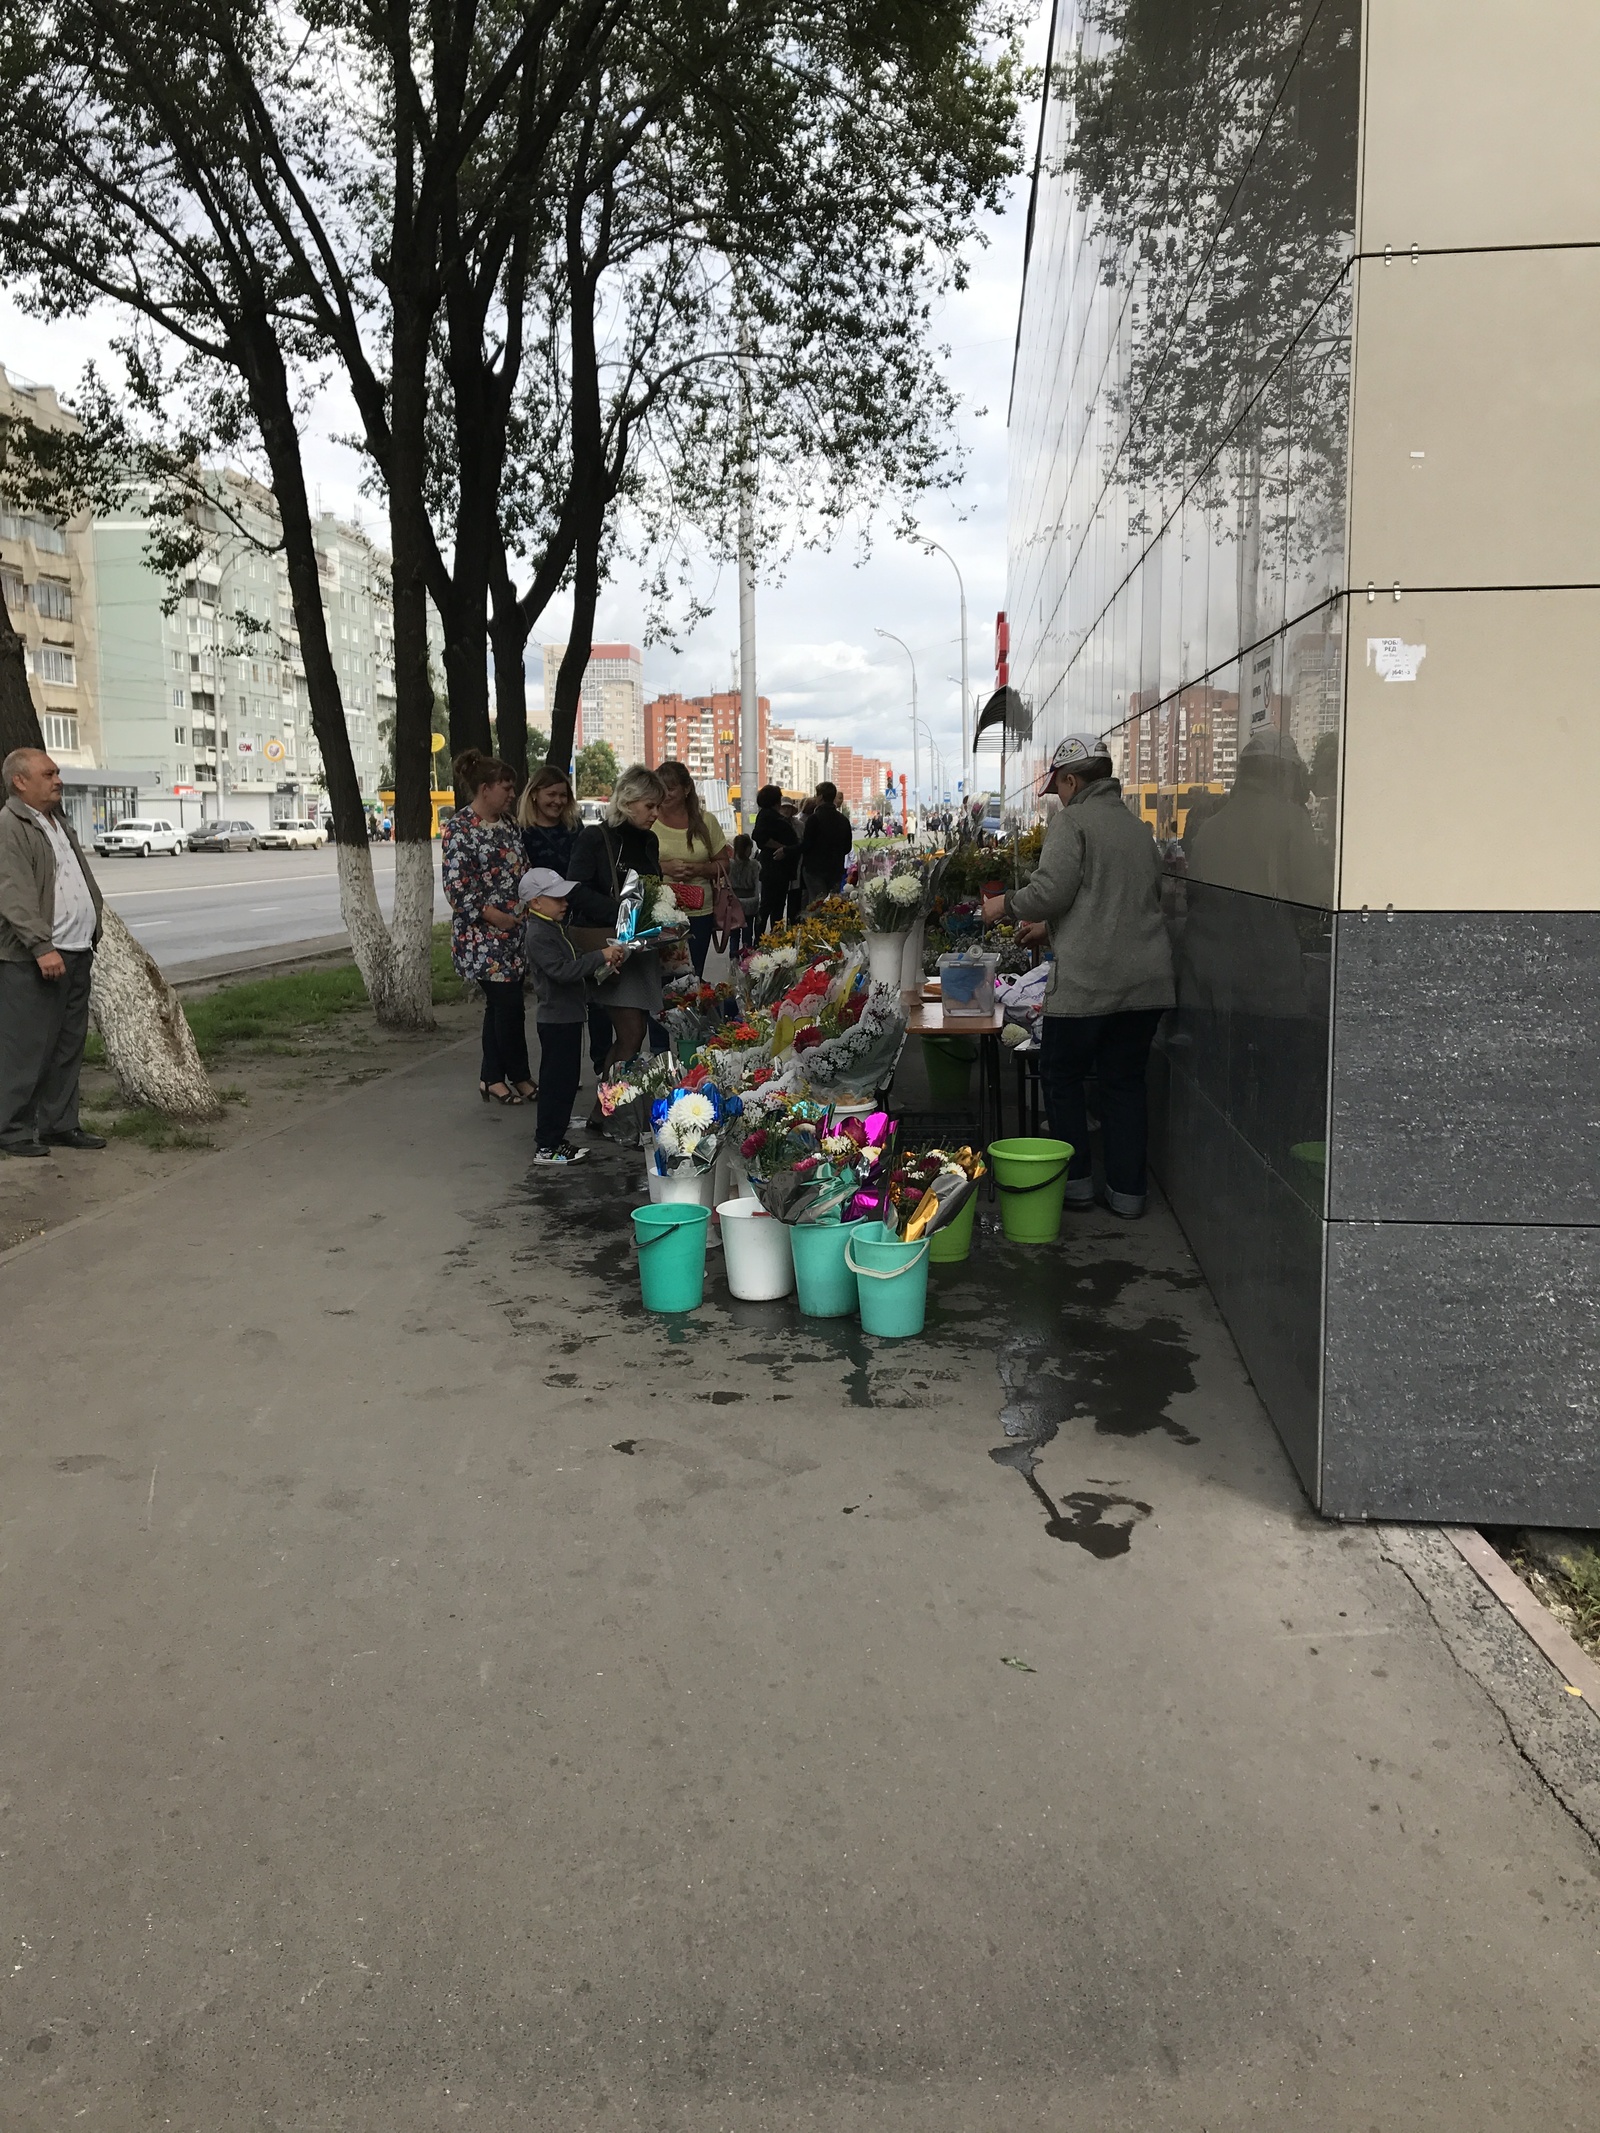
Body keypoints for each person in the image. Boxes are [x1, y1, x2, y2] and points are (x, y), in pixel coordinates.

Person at [981, 734, 1174, 1219]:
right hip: (1146, 984)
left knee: (1061, 1075)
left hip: (1090, 984)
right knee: (1124, 1083)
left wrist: (1003, 905)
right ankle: (1129, 1194)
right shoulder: (1136, 828)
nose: (1059, 798)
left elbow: (1050, 890)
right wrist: (1054, 928)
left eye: (1059, 787)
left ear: (1071, 779)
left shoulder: (1074, 822)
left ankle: (1077, 1185)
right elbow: (1118, 899)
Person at [0, 746, 107, 1157]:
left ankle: (60, 1125)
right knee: (27, 1047)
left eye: (57, 772)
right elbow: (14, 894)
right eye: (48, 774)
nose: (58, 779)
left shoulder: (56, 820)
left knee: (67, 1045)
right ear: (20, 782)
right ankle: (11, 1131)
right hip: (35, 957)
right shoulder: (11, 825)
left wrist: (91, 925)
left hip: (77, 949)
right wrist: (41, 946)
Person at [568, 763, 667, 1131]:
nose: (655, 814)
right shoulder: (597, 838)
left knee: (633, 1033)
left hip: (641, 948)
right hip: (610, 946)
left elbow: (650, 887)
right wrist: (623, 911)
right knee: (631, 1033)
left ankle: (606, 1110)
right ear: (628, 801)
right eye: (649, 806)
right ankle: (605, 1111)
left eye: (657, 806)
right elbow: (576, 890)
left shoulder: (648, 840)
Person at [441, 749, 535, 1105]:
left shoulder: (509, 824)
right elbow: (455, 888)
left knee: (500, 1008)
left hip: (514, 934)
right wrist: (490, 914)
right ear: (484, 788)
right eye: (506, 787)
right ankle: (519, 1075)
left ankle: (491, 1078)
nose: (512, 794)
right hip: (481, 938)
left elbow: (521, 869)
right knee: (509, 1005)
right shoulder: (460, 829)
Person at [520, 865, 626, 1164]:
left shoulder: (553, 926)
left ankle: (555, 1139)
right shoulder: (539, 934)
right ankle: (546, 1144)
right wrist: (599, 957)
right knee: (556, 1084)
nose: (565, 902)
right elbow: (563, 971)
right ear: (535, 902)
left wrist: (602, 966)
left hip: (567, 1016)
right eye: (557, 898)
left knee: (566, 1082)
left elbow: (575, 962)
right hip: (556, 1019)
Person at [518, 762, 612, 1076]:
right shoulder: (523, 834)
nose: (558, 801)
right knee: (558, 996)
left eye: (563, 795)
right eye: (551, 794)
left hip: (578, 918)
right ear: (534, 795)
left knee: (595, 993)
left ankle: (602, 1065)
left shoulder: (575, 830)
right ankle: (559, 1069)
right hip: (544, 922)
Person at [652, 759, 727, 976]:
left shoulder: (706, 821)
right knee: (663, 976)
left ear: (686, 789)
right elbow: (635, 866)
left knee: (694, 974)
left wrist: (699, 870)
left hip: (699, 911)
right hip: (659, 910)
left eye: (671, 788)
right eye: (660, 788)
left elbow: (724, 864)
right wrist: (664, 868)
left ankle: (690, 1010)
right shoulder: (650, 819)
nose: (665, 793)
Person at [752, 783, 797, 937]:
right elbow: (759, 837)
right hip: (774, 866)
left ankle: (769, 938)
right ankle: (765, 938)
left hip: (776, 867)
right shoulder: (768, 816)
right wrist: (783, 847)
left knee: (772, 905)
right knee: (771, 906)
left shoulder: (767, 815)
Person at [798, 779, 852, 906]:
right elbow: (847, 847)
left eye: (817, 795)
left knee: (817, 904)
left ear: (821, 797)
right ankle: (831, 925)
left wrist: (787, 850)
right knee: (833, 904)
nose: (816, 798)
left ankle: (816, 925)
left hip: (815, 870)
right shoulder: (843, 820)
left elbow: (806, 845)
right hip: (835, 869)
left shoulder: (814, 819)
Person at [725, 833, 761, 958]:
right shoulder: (754, 865)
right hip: (750, 904)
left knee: (734, 934)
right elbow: (757, 886)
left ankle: (733, 958)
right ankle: (747, 958)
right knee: (747, 933)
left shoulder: (729, 865)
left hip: (734, 903)